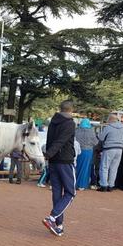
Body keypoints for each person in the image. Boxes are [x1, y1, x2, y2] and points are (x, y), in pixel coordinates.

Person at [42, 100, 76, 237]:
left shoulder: (53, 122)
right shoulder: (70, 123)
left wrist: (48, 155)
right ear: (71, 110)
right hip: (64, 161)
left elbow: (51, 141)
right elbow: (60, 141)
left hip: (53, 162)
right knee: (70, 193)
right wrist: (50, 154)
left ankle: (59, 225)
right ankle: (52, 218)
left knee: (57, 193)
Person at [96, 114, 123, 192]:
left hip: (109, 148)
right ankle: (111, 185)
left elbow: (101, 138)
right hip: (119, 149)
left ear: (110, 120)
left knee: (104, 167)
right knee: (114, 168)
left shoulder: (108, 127)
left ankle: (103, 185)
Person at [75, 118, 98, 190]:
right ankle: (82, 184)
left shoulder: (77, 130)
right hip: (88, 151)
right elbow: (96, 142)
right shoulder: (91, 131)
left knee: (77, 167)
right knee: (86, 168)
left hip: (78, 150)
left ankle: (75, 183)